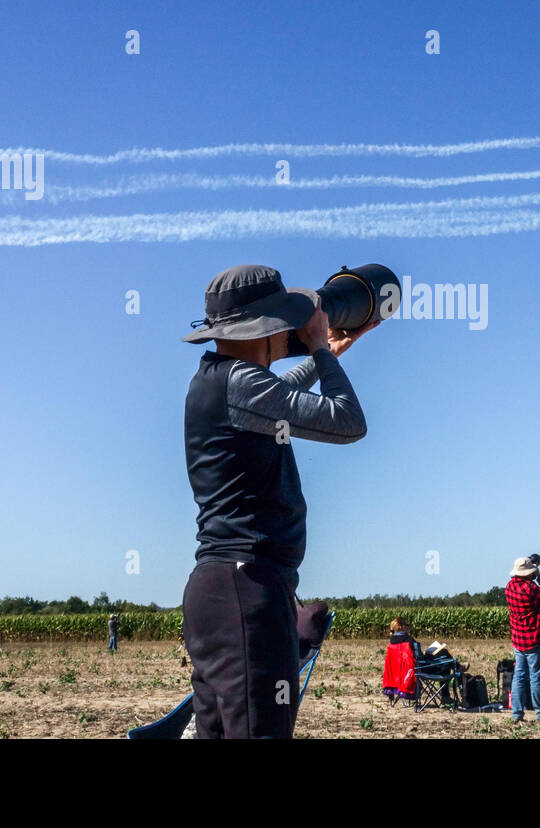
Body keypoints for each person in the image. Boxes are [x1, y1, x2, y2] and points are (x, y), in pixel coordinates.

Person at [179, 265, 376, 739]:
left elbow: (277, 398)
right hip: (246, 593)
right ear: (267, 327)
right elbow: (348, 422)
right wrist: (319, 353)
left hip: (224, 591)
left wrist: (324, 354)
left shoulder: (219, 378)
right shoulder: (241, 382)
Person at [505, 556, 540, 723]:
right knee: (536, 675)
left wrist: (531, 574)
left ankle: (517, 714)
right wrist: (539, 576)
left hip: (518, 639)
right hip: (533, 638)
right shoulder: (531, 589)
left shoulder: (509, 587)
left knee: (519, 675)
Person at [381, 618, 423, 704]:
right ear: (401, 627)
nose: (408, 627)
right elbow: (419, 656)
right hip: (409, 676)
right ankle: (446, 697)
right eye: (406, 625)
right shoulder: (409, 640)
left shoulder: (391, 642)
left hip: (394, 677)